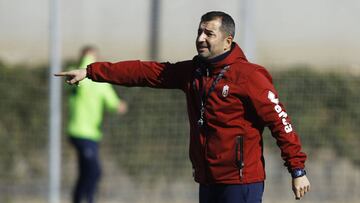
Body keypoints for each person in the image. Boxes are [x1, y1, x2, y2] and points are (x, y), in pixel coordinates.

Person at [56, 11, 310, 203]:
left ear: (227, 40)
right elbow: (144, 72)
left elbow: (281, 123)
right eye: (199, 32)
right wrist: (91, 71)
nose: (200, 39)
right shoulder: (193, 72)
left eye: (209, 34)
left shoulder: (249, 76)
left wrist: (297, 169)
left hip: (241, 182)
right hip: (207, 179)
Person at [65, 46, 128, 203]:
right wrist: (119, 105)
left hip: (84, 133)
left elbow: (110, 100)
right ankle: (89, 200)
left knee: (85, 172)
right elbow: (112, 100)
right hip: (83, 133)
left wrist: (117, 105)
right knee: (94, 172)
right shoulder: (95, 79)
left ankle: (79, 200)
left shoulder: (81, 76)